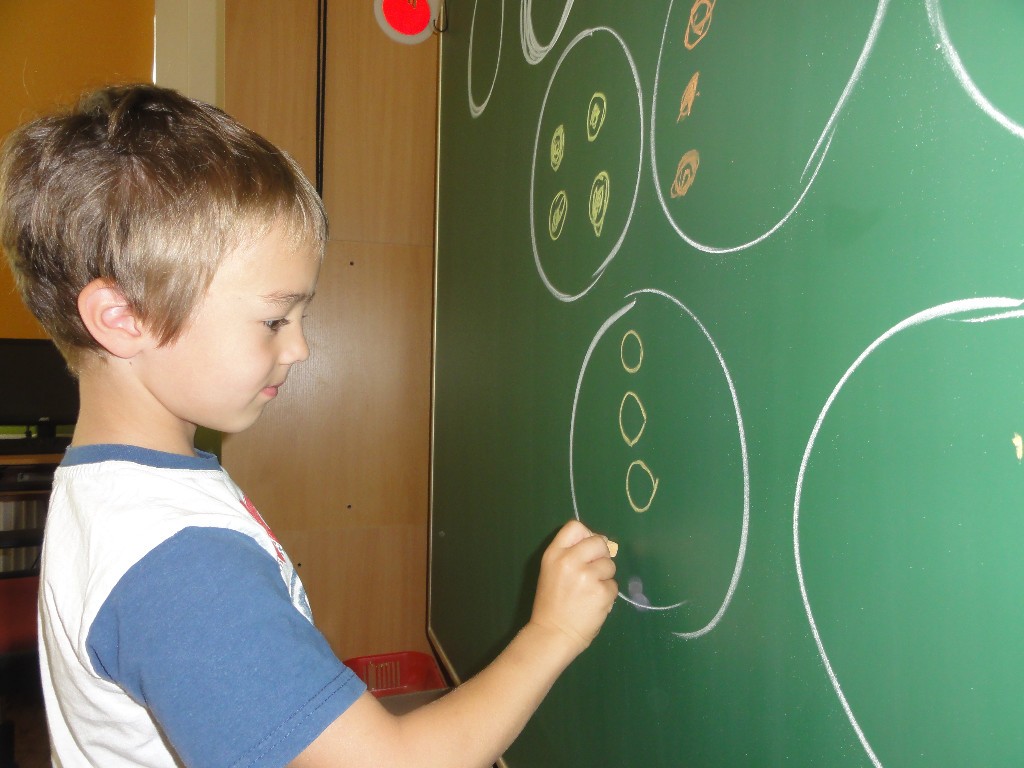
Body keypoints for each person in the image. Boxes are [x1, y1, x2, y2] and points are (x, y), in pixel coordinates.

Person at [0, 84, 618, 768]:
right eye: (274, 319)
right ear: (123, 319)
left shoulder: (112, 486)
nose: (298, 348)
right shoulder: (180, 567)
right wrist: (553, 632)